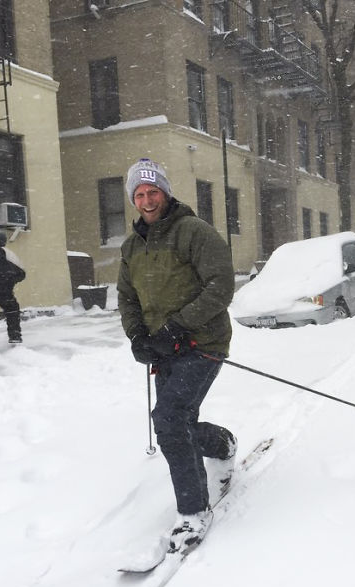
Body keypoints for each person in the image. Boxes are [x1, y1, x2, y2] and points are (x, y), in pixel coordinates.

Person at [117, 157, 237, 558]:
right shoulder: (132, 246)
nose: (147, 200)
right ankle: (221, 444)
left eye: (153, 192)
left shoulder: (193, 232)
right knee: (177, 420)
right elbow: (127, 296)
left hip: (203, 343)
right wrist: (137, 335)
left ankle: (193, 511)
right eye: (139, 194)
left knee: (168, 419)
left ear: (165, 193)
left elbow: (221, 285)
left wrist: (177, 327)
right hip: (163, 348)